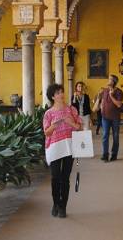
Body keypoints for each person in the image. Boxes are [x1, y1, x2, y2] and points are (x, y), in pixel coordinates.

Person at [43, 83, 81, 218]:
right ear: (53, 97)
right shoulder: (48, 113)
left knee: (65, 179)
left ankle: (63, 207)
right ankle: (56, 203)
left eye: (62, 92)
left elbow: (79, 128)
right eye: (58, 93)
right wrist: (54, 125)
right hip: (54, 148)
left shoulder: (72, 109)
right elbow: (46, 133)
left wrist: (71, 123)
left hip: (69, 147)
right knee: (55, 178)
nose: (61, 95)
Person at [99, 74, 123, 162]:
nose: (108, 80)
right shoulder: (104, 90)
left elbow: (119, 104)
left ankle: (114, 154)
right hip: (105, 117)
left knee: (115, 136)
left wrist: (111, 95)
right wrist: (101, 107)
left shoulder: (119, 92)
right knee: (105, 136)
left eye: (110, 79)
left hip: (115, 118)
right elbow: (102, 102)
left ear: (114, 82)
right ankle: (105, 155)